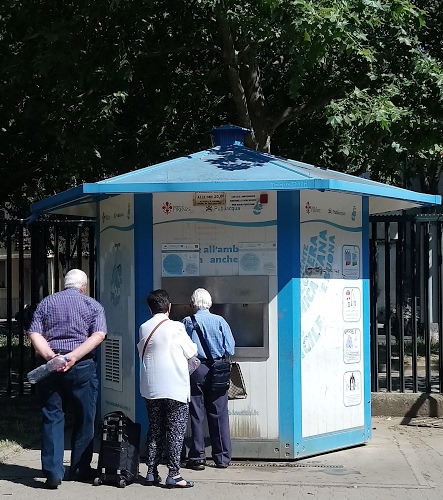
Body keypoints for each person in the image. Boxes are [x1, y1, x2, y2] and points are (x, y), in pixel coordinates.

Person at [27, 269, 107, 489]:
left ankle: (53, 472)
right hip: (82, 366)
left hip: (51, 368)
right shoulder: (93, 305)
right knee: (85, 416)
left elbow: (34, 333)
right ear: (83, 287)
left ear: (65, 284)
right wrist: (73, 357)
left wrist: (51, 357)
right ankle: (80, 468)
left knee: (52, 416)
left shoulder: (47, 303)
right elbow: (99, 335)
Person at [138, 289, 197, 488]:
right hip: (175, 387)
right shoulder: (177, 327)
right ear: (169, 307)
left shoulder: (144, 328)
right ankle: (174, 474)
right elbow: (192, 351)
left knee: (155, 429)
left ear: (150, 309)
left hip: (151, 387)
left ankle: (151, 472)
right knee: (175, 431)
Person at [182, 288, 235, 470]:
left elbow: (181, 348)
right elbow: (230, 349)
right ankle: (222, 458)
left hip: (196, 369)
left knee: (196, 413)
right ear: (209, 303)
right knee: (219, 413)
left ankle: (197, 457)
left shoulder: (187, 322)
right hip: (217, 369)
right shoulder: (220, 321)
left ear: (193, 303)